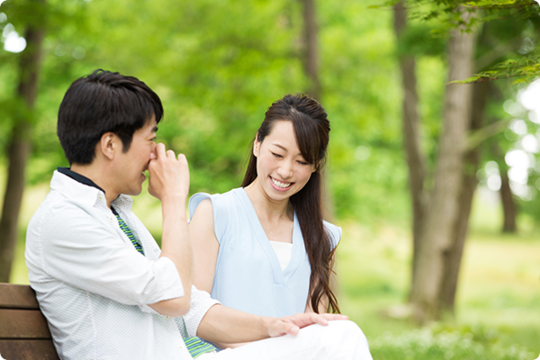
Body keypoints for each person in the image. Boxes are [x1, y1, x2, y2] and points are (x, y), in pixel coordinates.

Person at [25, 69, 372, 360]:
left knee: (337, 334)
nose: (156, 152)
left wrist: (274, 327)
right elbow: (173, 295)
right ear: (111, 145)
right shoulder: (64, 221)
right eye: (151, 138)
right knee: (343, 338)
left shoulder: (116, 214)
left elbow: (190, 306)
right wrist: (174, 200)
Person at [189, 94, 340, 332]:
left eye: (301, 161)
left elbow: (314, 328)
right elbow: (194, 315)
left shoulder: (322, 235)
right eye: (278, 155)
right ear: (257, 143)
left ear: (316, 166)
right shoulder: (215, 213)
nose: (286, 170)